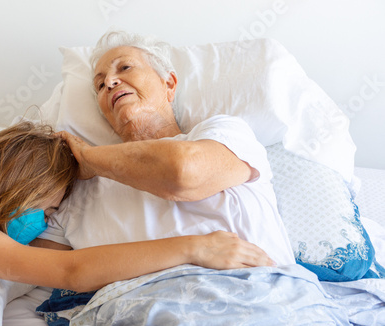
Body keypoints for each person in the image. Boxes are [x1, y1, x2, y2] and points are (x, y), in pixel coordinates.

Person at [0, 121, 256, 326]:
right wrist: (194, 247)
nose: (42, 224)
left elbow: (69, 258)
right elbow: (72, 270)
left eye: (50, 215)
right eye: (43, 208)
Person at [39, 30, 296, 267]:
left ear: (169, 84)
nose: (110, 82)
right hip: (138, 313)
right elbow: (40, 266)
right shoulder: (83, 191)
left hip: (259, 297)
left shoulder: (224, 133)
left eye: (125, 67)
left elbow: (183, 173)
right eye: (99, 85)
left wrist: (88, 157)